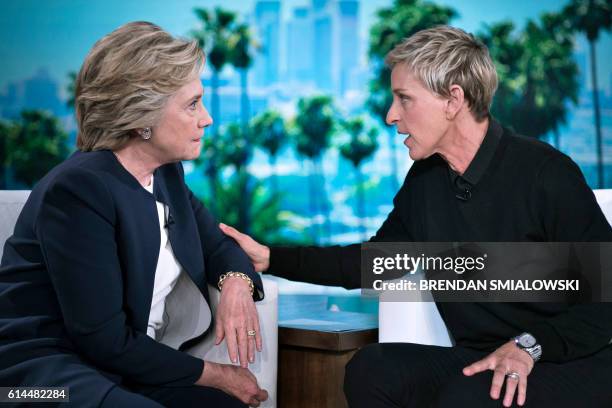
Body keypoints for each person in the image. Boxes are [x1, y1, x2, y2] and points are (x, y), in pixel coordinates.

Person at [220, 26, 612, 407]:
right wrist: (271, 258)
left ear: (453, 100)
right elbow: (370, 263)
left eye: (404, 99)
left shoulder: (545, 172)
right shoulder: (427, 181)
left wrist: (528, 346)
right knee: (372, 370)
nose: (391, 116)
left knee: (470, 395)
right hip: (481, 359)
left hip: (568, 360)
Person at [0, 22, 268, 407]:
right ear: (143, 116)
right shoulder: (79, 190)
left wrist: (237, 284)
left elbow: (218, 243)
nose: (206, 118)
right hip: (42, 377)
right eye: (192, 104)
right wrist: (217, 374)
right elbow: (102, 340)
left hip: (121, 371)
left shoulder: (165, 174)